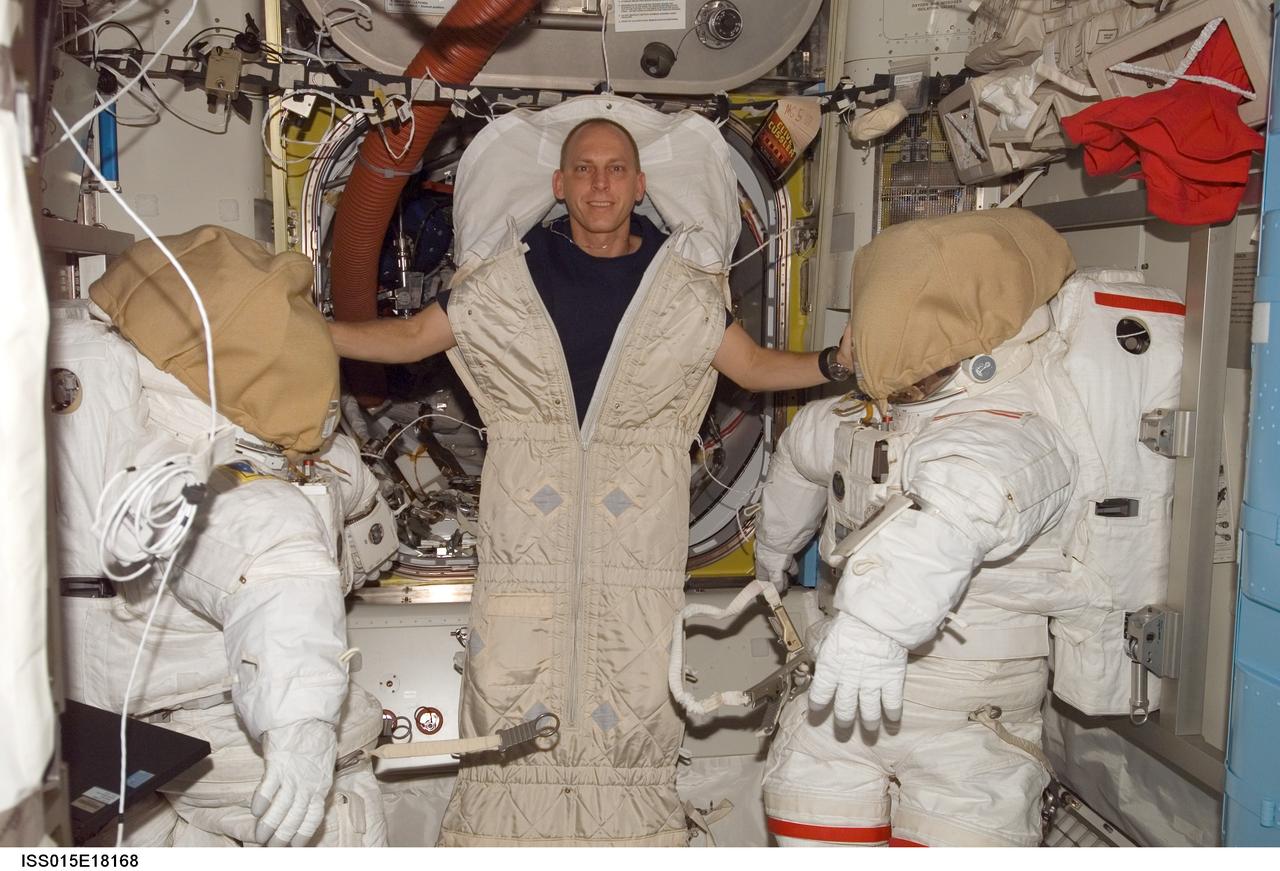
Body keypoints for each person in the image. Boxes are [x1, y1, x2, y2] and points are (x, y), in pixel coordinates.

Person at [329, 102, 854, 846]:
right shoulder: (506, 279)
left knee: (636, 701)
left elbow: (751, 366)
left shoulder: (681, 287)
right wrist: (309, 335)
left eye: (614, 170)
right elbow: (413, 335)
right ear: (559, 181)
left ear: (640, 185)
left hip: (639, 541)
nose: (599, 184)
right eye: (584, 169)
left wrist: (835, 363)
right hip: (524, 541)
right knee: (506, 705)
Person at [755, 209, 1183, 847]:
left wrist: (874, 628)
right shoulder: (878, 411)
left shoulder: (1014, 430)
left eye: (915, 377)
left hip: (967, 710)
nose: (902, 392)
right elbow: (802, 451)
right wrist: (773, 550)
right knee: (808, 819)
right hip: (841, 698)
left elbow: (957, 511)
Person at [53, 225, 397, 847]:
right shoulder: (203, 467)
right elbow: (274, 563)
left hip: (103, 730)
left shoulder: (90, 389)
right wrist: (300, 725)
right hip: (212, 722)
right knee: (326, 808)